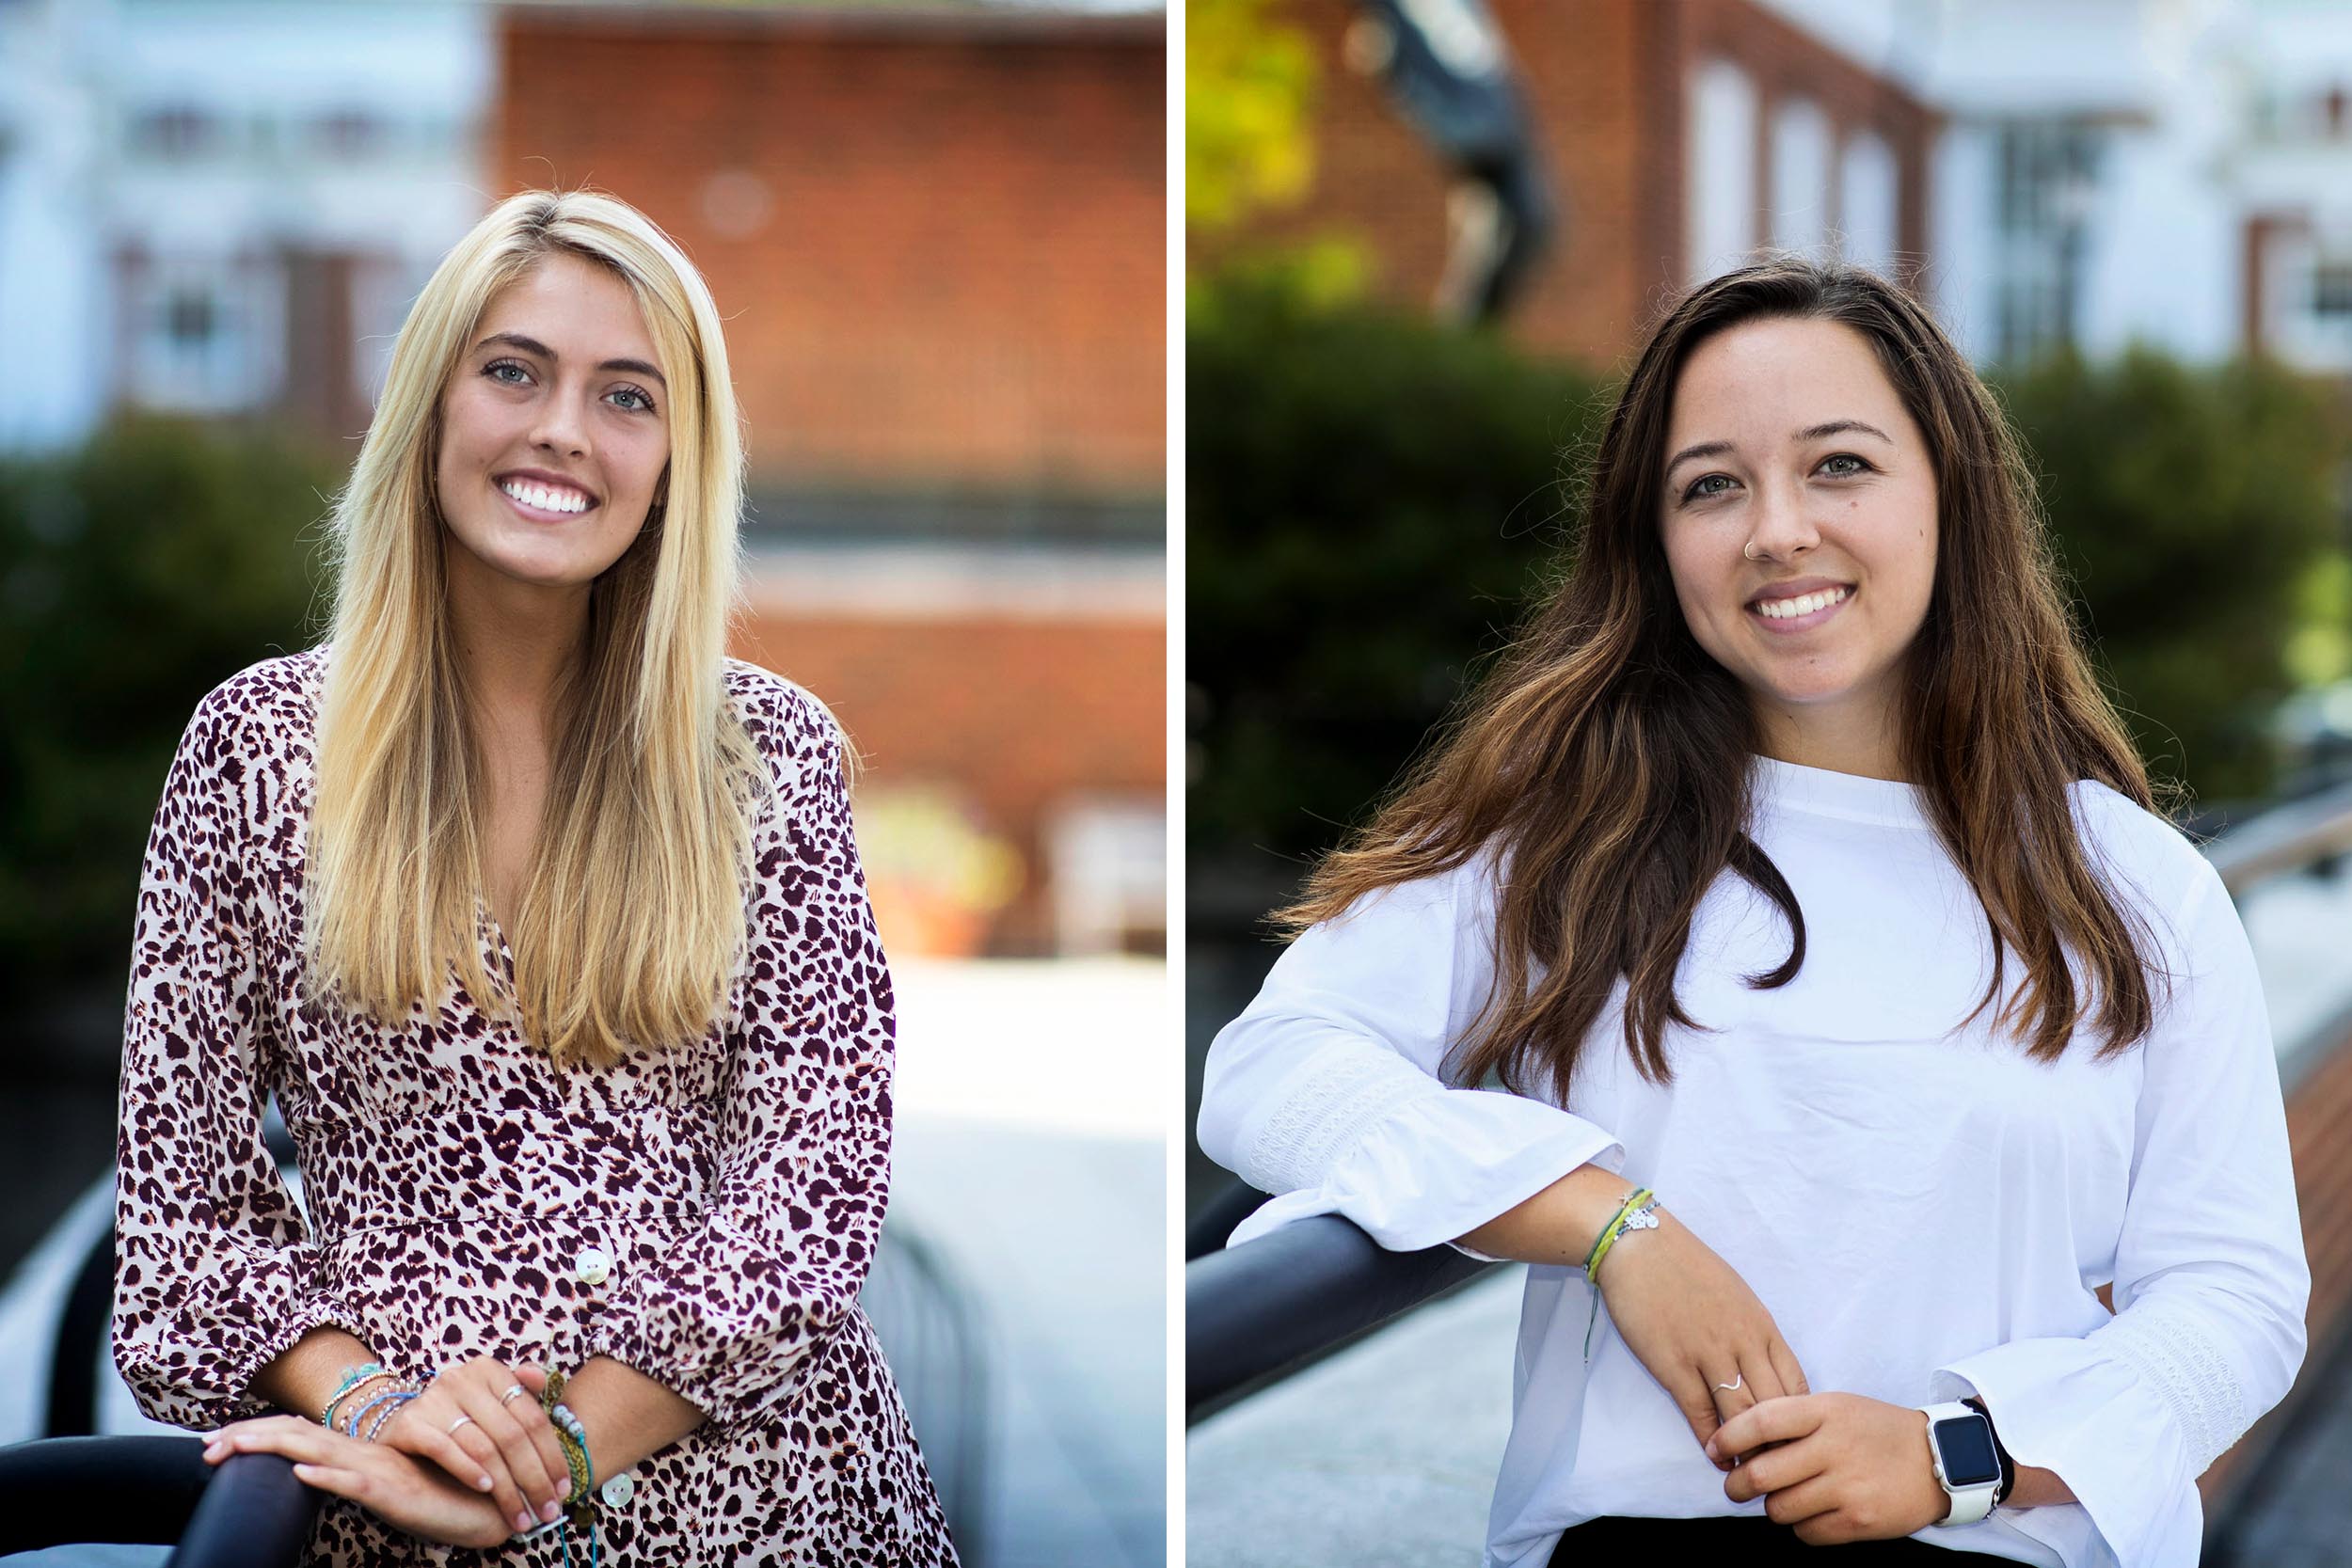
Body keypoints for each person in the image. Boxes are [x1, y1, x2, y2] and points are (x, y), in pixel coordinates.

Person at [1195, 256, 2309, 1568]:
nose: (1777, 529)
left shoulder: (2123, 880)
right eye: (1712, 485)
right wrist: (1609, 1222)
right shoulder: (1567, 832)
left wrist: (1961, 1452)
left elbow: (2236, 1299)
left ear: (1949, 496)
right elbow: (1274, 1066)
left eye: (1839, 464)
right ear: (1656, 542)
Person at [111, 188, 960, 1565]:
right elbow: (178, 1237)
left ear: (680, 459)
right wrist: (383, 1411)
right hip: (402, 1513)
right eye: (514, 371)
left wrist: (555, 1458)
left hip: (777, 1509)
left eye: (628, 396)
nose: (563, 428)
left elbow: (810, 1193)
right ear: (434, 403)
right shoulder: (258, 751)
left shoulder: (767, 758)